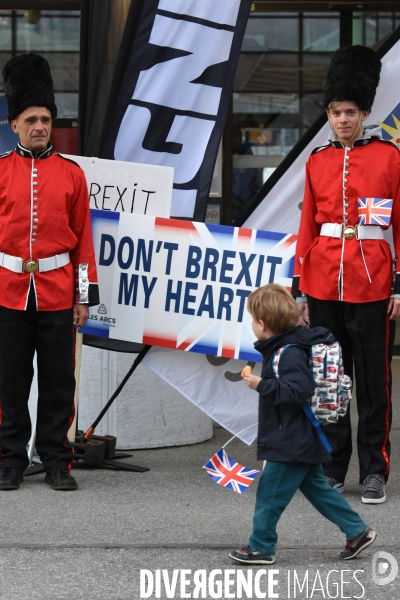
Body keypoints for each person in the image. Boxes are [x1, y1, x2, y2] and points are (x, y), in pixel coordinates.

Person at [292, 45, 400, 504]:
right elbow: (307, 226)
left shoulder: (390, 159)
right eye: (335, 112)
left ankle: (374, 469)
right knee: (331, 380)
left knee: (374, 382)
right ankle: (333, 466)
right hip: (323, 283)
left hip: (373, 282)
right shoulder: (316, 161)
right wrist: (300, 288)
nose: (341, 120)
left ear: (365, 112)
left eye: (349, 112)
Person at [0, 53, 99, 491]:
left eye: (46, 118)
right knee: (9, 382)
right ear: (14, 124)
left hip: (58, 293)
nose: (40, 126)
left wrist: (83, 298)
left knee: (59, 382)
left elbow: (83, 242)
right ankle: (9, 459)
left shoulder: (72, 174)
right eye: (31, 119)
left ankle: (57, 459)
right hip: (7, 292)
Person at [229, 284, 376, 565]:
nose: (252, 325)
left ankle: (261, 547)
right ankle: (358, 532)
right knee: (319, 490)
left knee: (270, 496)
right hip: (300, 436)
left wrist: (262, 385)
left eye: (252, 319)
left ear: (262, 323)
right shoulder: (286, 347)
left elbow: (299, 390)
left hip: (291, 438)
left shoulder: (288, 352)